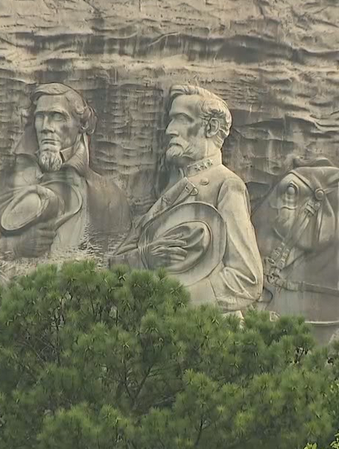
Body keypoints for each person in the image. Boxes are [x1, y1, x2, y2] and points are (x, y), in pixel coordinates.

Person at [110, 85, 262, 314]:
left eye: (181, 119)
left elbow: (246, 279)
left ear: (211, 127)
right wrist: (146, 257)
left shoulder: (226, 185)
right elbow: (117, 263)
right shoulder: (172, 189)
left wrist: (173, 302)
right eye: (171, 120)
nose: (170, 130)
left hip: (206, 328)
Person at [0, 83, 130, 260]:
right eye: (40, 117)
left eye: (57, 116)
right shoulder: (8, 184)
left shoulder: (108, 196)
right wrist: (17, 247)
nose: (46, 127)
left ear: (81, 124)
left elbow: (114, 257)